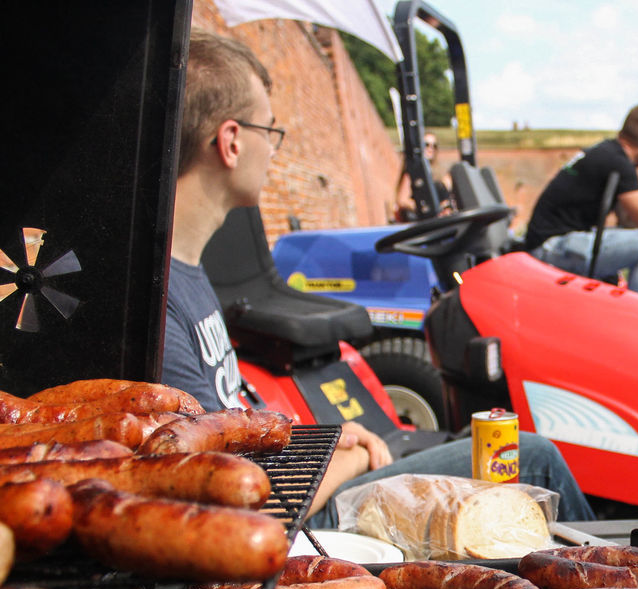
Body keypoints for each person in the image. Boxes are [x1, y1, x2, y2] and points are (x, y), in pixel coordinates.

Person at [164, 30, 594, 527]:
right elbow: (234, 506)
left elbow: (229, 426)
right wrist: (352, 457)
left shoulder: (188, 274)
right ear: (232, 142)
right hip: (300, 521)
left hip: (299, 482)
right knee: (535, 458)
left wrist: (316, 438)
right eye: (271, 133)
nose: (274, 151)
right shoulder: (165, 306)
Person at [523, 104, 638, 299]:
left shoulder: (607, 152)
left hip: (548, 243)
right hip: (552, 247)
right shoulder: (617, 162)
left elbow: (632, 223)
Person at [395, 131, 453, 221]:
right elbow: (402, 200)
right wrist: (427, 208)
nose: (431, 148)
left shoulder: (441, 174)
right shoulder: (412, 172)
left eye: (434, 146)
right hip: (423, 223)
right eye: (426, 144)